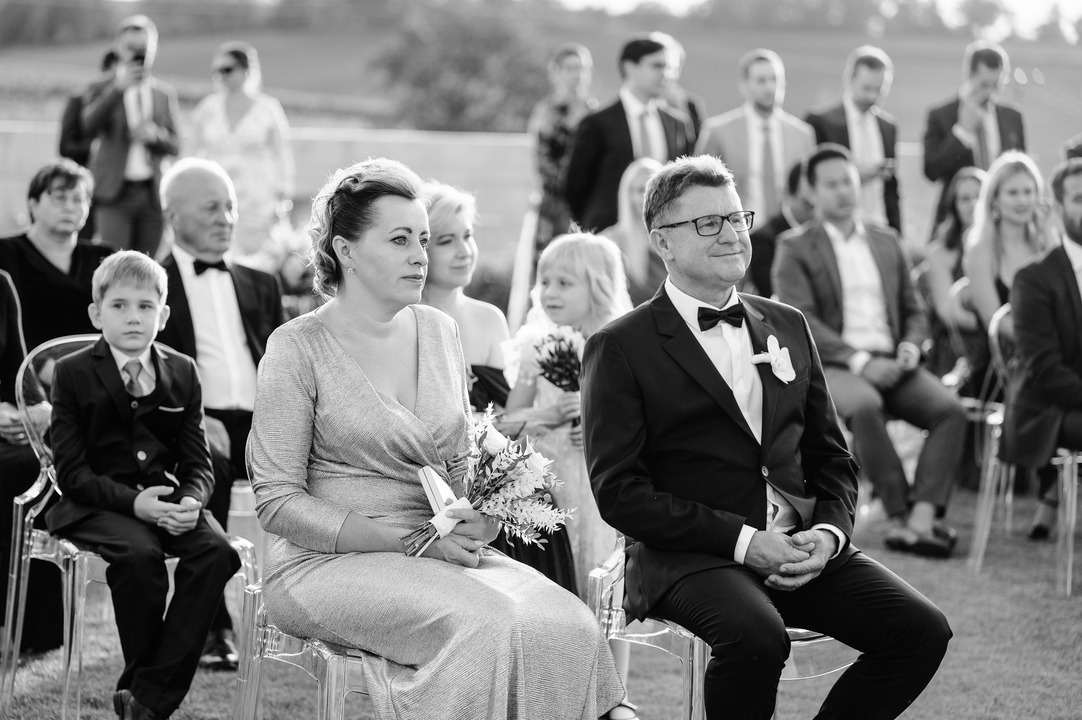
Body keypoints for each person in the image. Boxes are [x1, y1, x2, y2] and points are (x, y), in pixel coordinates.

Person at [247, 158, 626, 720]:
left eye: (423, 238)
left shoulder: (439, 330)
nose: (420, 254)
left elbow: (458, 466)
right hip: (323, 563)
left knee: (569, 622)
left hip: (441, 554)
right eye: (400, 239)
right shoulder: (296, 347)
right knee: (490, 624)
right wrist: (408, 541)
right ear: (344, 250)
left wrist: (485, 518)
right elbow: (276, 502)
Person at [581, 154, 951, 720]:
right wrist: (744, 541)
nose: (732, 234)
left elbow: (832, 458)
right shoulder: (621, 346)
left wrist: (827, 534)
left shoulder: (787, 324)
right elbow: (620, 492)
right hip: (691, 555)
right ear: (664, 242)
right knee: (757, 635)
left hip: (799, 547)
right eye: (709, 223)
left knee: (922, 630)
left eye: (736, 218)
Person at [47, 250, 241, 720]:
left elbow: (199, 459)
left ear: (164, 314)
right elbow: (71, 472)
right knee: (140, 557)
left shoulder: (182, 371)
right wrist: (137, 506)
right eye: (119, 306)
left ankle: (146, 695)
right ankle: (150, 696)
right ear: (96, 312)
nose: (133, 317)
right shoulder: (72, 373)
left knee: (217, 551)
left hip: (167, 499)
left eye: (145, 306)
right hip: (95, 503)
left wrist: (192, 499)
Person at [773, 144, 967, 558]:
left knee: (951, 410)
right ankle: (898, 512)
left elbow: (914, 309)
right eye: (831, 184)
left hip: (894, 359)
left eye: (848, 181)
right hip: (837, 365)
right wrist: (862, 361)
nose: (843, 191)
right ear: (811, 191)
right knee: (864, 405)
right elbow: (800, 318)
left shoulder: (886, 239)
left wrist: (912, 346)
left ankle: (920, 520)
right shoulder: (794, 246)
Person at [153, 157, 284, 670]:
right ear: (173, 217)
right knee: (207, 466)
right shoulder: (152, 282)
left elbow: (282, 368)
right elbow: (143, 371)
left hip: (264, 423)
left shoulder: (260, 284)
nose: (225, 217)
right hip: (191, 424)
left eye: (229, 207)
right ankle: (214, 628)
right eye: (211, 207)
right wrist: (193, 416)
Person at [418, 181, 578, 593]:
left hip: (496, 468)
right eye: (446, 240)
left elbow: (504, 417)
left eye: (467, 236)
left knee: (539, 506)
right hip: (434, 477)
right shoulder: (408, 321)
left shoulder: (489, 318)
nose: (463, 250)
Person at [504, 233, 633, 595]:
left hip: (600, 489)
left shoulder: (620, 346)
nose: (550, 292)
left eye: (564, 283)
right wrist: (548, 413)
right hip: (551, 483)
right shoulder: (536, 347)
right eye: (544, 281)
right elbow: (511, 422)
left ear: (598, 286)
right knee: (557, 583)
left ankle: (608, 653)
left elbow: (641, 416)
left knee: (607, 591)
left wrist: (596, 418)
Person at [1002, 158, 1082, 540]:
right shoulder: (1034, 278)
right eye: (1080, 198)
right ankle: (1052, 497)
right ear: (1059, 207)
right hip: (1048, 408)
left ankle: (1053, 501)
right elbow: (1045, 370)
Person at [565, 35, 693, 233]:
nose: (666, 74)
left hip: (663, 240)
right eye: (657, 66)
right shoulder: (596, 123)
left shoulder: (678, 124)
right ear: (629, 67)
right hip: (607, 235)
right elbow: (575, 186)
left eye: (668, 67)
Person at [190, 41, 295, 270]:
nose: (221, 76)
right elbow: (192, 153)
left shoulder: (267, 107)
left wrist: (282, 196)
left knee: (260, 264)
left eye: (227, 69)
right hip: (217, 196)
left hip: (259, 199)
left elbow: (282, 154)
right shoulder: (207, 108)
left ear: (246, 70)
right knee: (219, 260)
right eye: (217, 71)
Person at [81, 14, 179, 256]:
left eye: (143, 49)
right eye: (131, 48)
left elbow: (176, 145)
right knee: (115, 265)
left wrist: (155, 135)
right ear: (118, 48)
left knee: (148, 268)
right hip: (114, 194)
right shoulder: (101, 87)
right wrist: (117, 89)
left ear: (153, 50)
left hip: (151, 195)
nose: (137, 55)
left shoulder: (163, 94)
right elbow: (88, 127)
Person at [0, 160, 115, 351]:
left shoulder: (103, 258)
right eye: (59, 198)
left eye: (78, 199)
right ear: (33, 204)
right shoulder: (7, 253)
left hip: (95, 367)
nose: (69, 207)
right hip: (29, 365)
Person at [696, 49, 815, 221]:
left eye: (775, 79)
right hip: (739, 232)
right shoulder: (717, 132)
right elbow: (701, 191)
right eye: (761, 81)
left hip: (790, 231)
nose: (770, 87)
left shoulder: (803, 134)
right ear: (744, 85)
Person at [923, 40, 1025, 225]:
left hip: (1003, 220)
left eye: (996, 84)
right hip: (955, 223)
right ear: (968, 74)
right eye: (984, 84)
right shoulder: (940, 115)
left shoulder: (1013, 117)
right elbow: (931, 171)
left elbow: (1020, 173)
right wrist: (962, 131)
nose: (990, 92)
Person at [805, 46, 901, 234]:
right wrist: (856, 175)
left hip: (880, 227)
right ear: (850, 80)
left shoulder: (888, 127)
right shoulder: (821, 122)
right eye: (866, 88)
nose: (872, 96)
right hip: (837, 229)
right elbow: (812, 181)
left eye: (879, 90)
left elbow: (892, 191)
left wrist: (897, 233)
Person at [961, 151, 1055, 341]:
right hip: (1005, 358)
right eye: (1013, 193)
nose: (1023, 201)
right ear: (994, 199)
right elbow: (992, 320)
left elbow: (1067, 291)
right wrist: (1042, 344)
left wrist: (1046, 231)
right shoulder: (981, 250)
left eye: (1028, 192)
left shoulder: (1045, 242)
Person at [920, 167, 987, 388]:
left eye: (979, 196)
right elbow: (947, 312)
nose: (973, 204)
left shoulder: (1005, 248)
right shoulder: (940, 252)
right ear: (954, 206)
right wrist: (995, 326)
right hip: (959, 339)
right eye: (965, 199)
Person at [529, 43, 598, 253]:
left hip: (590, 203)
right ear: (556, 72)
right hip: (555, 205)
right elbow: (543, 162)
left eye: (581, 68)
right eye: (570, 68)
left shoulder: (594, 111)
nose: (576, 75)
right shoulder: (546, 111)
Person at [60, 49, 118, 240]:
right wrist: (98, 148)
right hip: (86, 189)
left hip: (118, 193)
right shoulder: (79, 100)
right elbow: (65, 146)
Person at [743, 160, 816, 299]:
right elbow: (776, 295)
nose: (815, 211)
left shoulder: (828, 231)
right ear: (788, 194)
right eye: (807, 204)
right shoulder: (762, 240)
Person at [600, 157, 663, 305]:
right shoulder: (610, 243)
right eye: (641, 190)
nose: (647, 197)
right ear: (627, 194)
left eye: (654, 190)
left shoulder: (675, 241)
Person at [651, 32, 707, 146]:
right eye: (658, 66)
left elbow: (698, 147)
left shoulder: (691, 105)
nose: (666, 73)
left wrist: (680, 110)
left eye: (672, 67)